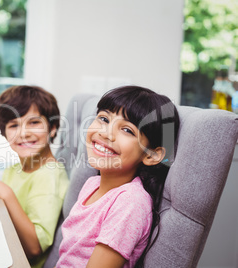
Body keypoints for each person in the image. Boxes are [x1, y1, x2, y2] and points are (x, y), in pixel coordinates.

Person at [56, 86, 180, 268]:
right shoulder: (92, 184)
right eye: (104, 119)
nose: (106, 133)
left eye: (127, 130)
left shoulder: (130, 202)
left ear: (151, 155)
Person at [0, 85, 69, 268]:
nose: (23, 132)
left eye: (34, 122)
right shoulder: (14, 169)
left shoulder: (49, 175)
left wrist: (5, 193)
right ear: (4, 133)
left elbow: (34, 248)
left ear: (53, 128)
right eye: (14, 125)